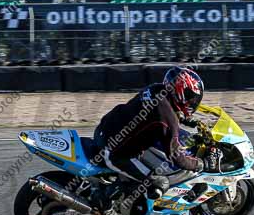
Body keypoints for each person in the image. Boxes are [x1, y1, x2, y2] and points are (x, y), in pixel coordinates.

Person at [93, 66, 223, 201]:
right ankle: (105, 202)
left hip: (105, 129)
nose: (192, 102)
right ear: (180, 92)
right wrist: (199, 164)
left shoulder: (156, 89)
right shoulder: (167, 119)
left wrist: (188, 121)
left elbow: (157, 114)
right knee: (159, 183)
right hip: (113, 152)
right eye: (190, 97)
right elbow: (176, 157)